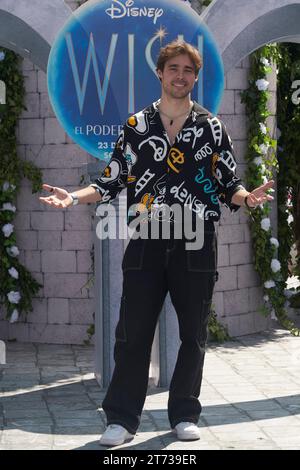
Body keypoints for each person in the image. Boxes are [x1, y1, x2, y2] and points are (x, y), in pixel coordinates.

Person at [39, 40, 274, 446]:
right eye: (174, 69)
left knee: (193, 333)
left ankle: (184, 412)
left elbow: (228, 183)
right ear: (160, 74)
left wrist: (247, 197)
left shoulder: (211, 127)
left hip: (196, 240)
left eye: (188, 70)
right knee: (132, 332)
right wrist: (73, 197)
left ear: (195, 78)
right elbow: (111, 180)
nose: (180, 76)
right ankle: (121, 420)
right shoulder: (136, 127)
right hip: (147, 238)